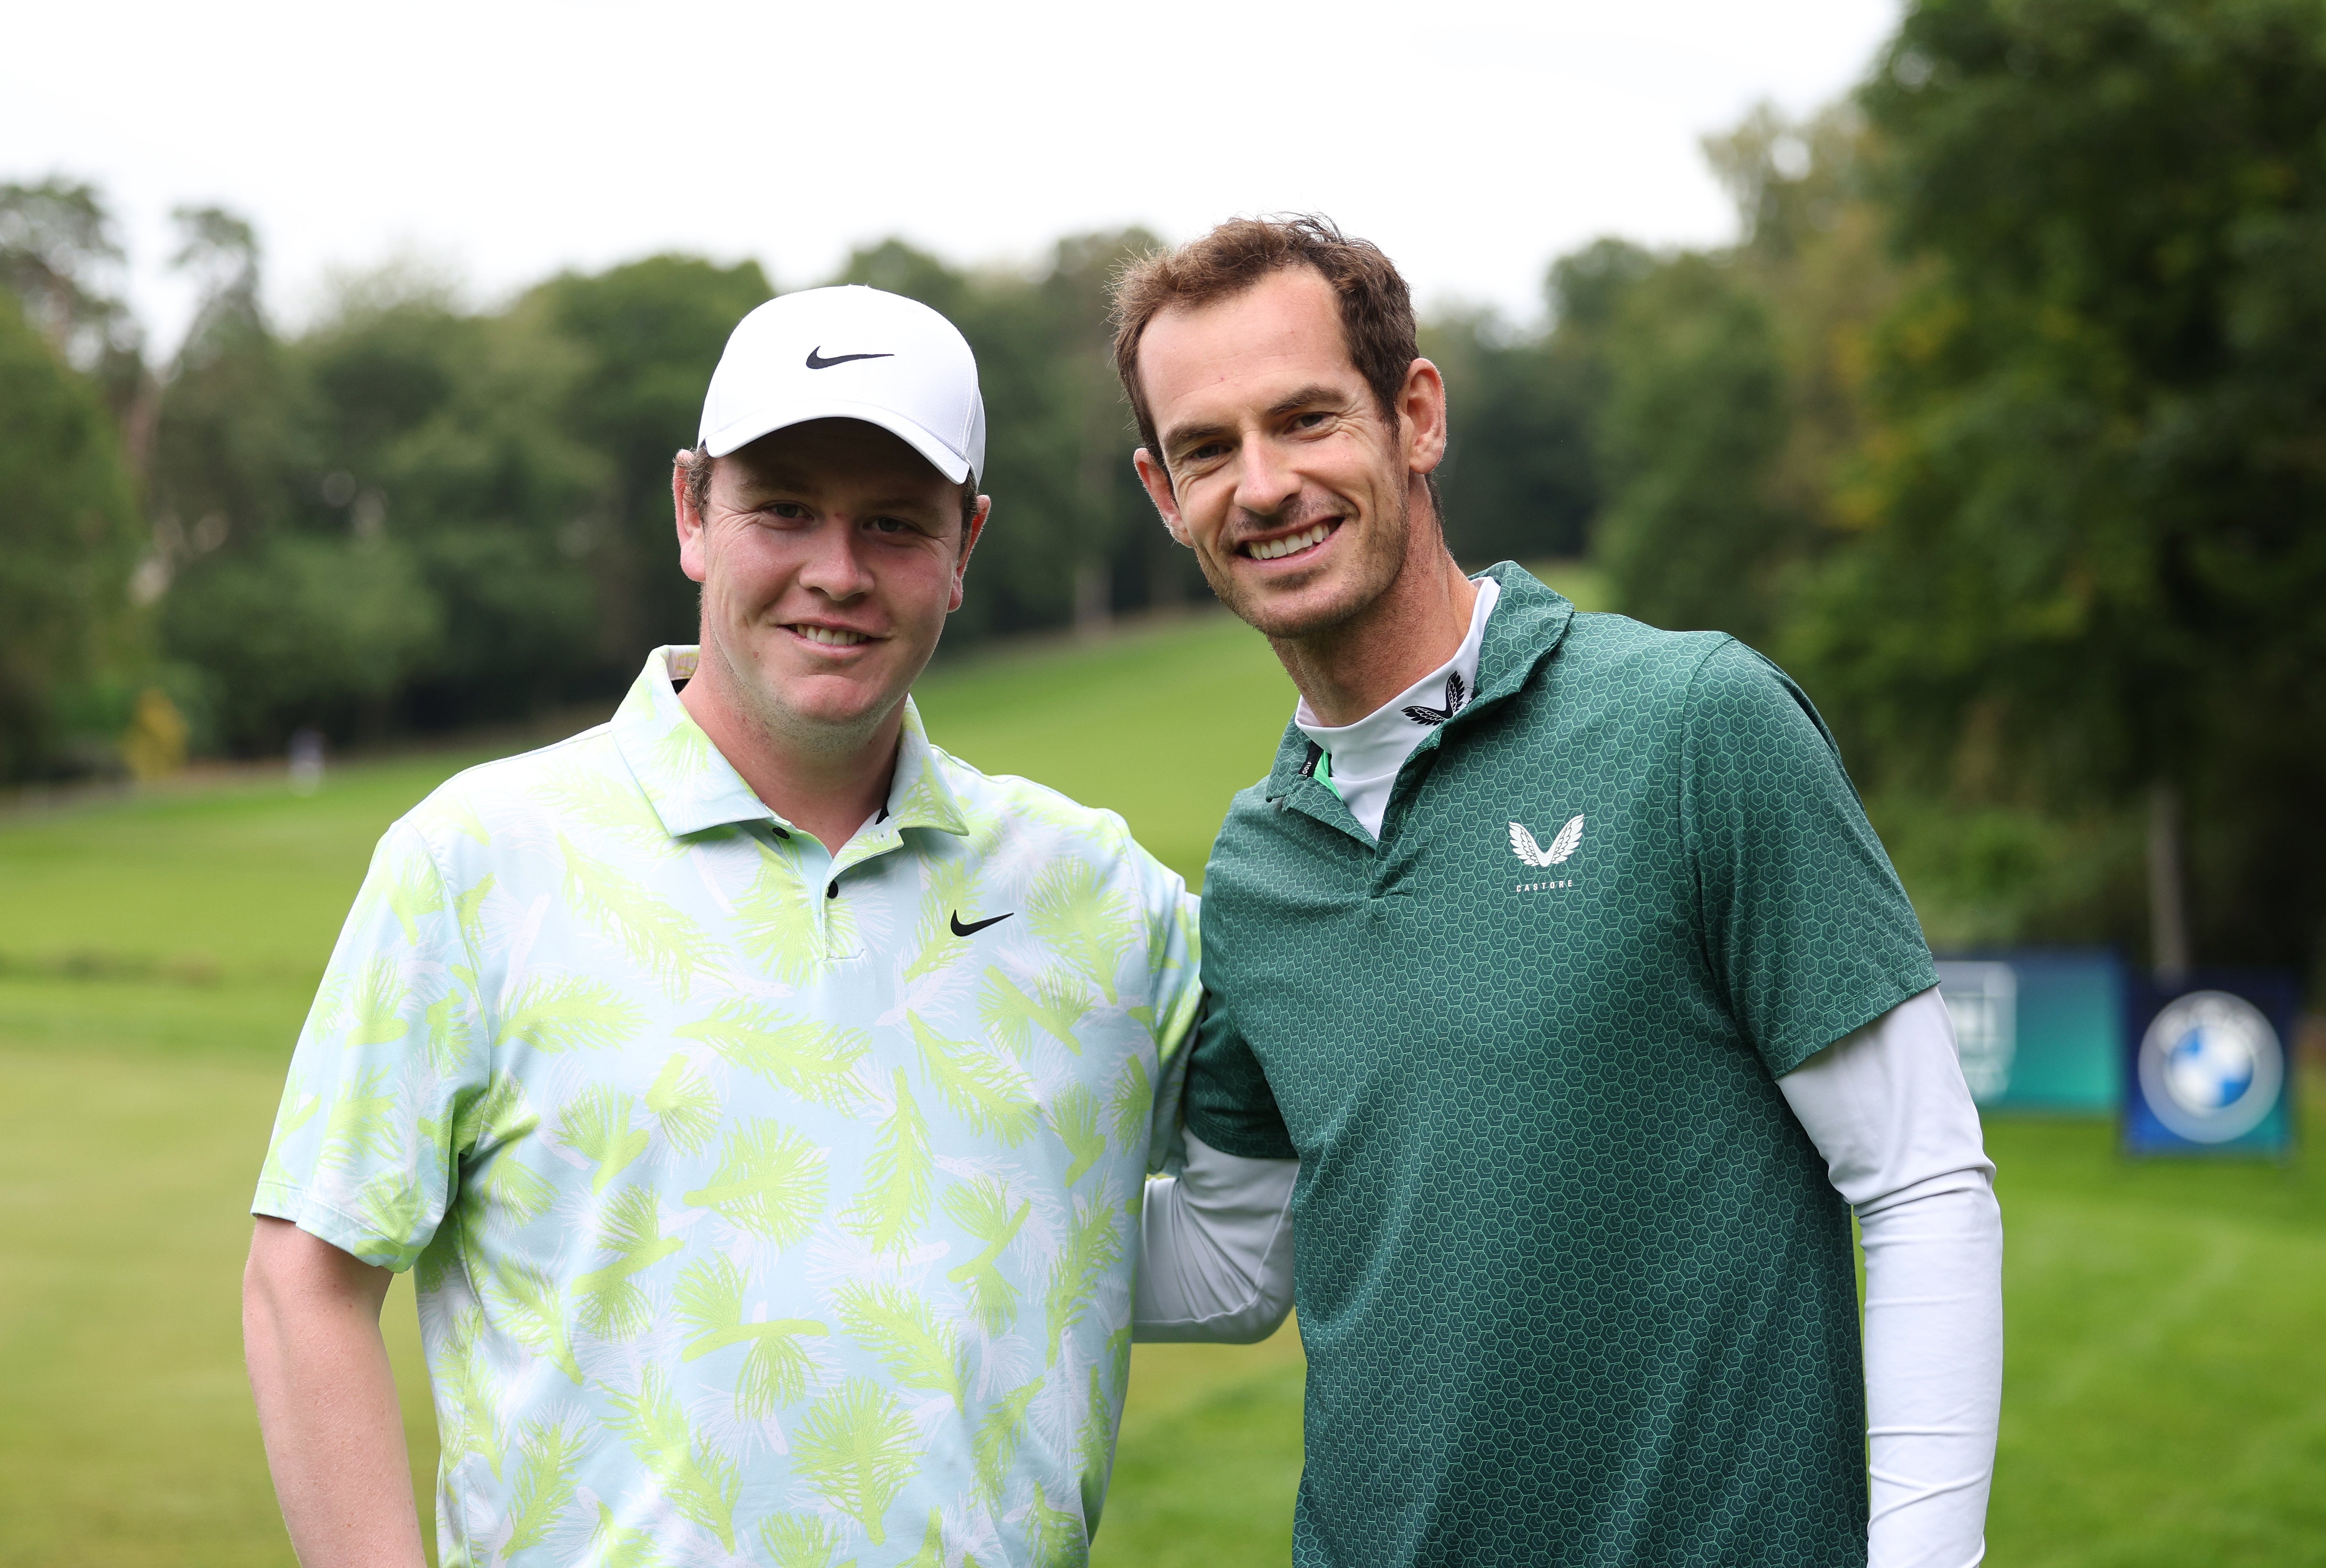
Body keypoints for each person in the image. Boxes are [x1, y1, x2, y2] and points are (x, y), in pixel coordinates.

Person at [241, 283, 1292, 1568]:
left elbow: (1283, 1188)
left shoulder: (1098, 897)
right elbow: (308, 1274)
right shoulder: (477, 859)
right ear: (694, 510)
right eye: (783, 507)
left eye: (894, 523)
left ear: (966, 543)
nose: (835, 572)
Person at [1109, 215, 2004, 1568]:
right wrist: (929, 1222)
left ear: (1414, 415)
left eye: (1304, 418)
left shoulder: (1692, 725)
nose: (1264, 483)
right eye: (1207, 449)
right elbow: (1235, 1260)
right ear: (1162, 495)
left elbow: (1920, 1179)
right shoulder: (1254, 868)